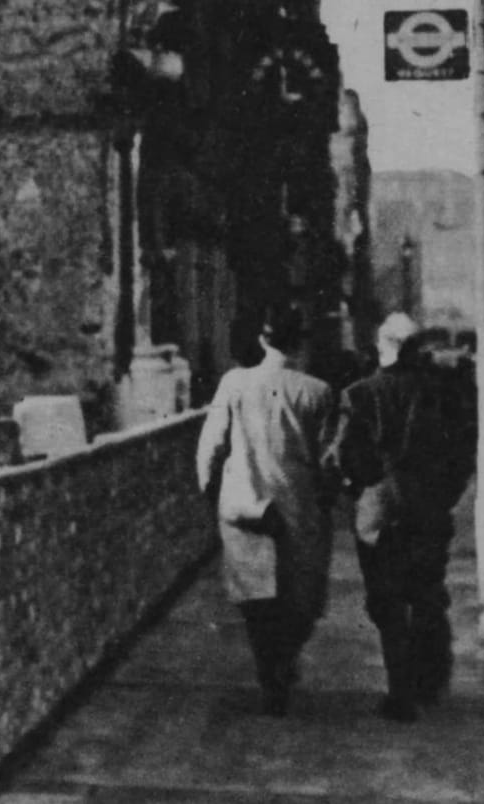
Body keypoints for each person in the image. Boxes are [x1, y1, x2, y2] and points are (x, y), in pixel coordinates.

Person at [331, 310, 477, 722]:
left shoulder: (359, 394)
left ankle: (400, 692)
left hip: (378, 512)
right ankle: (428, 681)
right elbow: (462, 453)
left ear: (383, 347)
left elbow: (342, 457)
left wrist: (361, 491)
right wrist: (446, 496)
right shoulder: (442, 393)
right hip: (428, 505)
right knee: (426, 592)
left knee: (386, 601)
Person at [194, 305, 337, 716]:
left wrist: (210, 490)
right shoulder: (317, 392)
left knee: (255, 602)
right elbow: (329, 459)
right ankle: (283, 661)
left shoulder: (235, 384)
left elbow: (211, 446)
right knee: (300, 599)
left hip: (246, 508)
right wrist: (326, 498)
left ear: (263, 339)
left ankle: (269, 670)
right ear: (300, 343)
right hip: (299, 510)